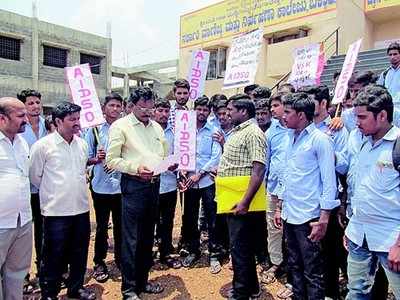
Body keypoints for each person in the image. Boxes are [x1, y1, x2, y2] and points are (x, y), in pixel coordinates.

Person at [274, 93, 338, 299]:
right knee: (294, 266)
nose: (283, 117)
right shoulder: (288, 138)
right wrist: (279, 206)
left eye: (288, 113)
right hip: (289, 214)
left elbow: (330, 183)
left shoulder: (321, 140)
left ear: (301, 115)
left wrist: (324, 219)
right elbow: (287, 174)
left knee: (313, 271)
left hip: (309, 217)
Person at [106, 87, 168, 300]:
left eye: (151, 108)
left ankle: (143, 281)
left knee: (147, 236)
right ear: (131, 105)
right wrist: (135, 168)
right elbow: (111, 160)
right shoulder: (120, 126)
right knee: (131, 238)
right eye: (143, 107)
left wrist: (169, 164)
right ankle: (129, 289)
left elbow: (162, 153)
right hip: (133, 185)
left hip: (154, 185)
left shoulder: (157, 128)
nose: (148, 112)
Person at [30, 101, 95, 300]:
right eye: (72, 119)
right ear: (58, 121)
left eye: (78, 118)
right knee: (52, 255)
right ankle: (50, 293)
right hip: (55, 212)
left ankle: (76, 288)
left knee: (79, 252)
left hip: (81, 209)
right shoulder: (42, 146)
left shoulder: (82, 144)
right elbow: (35, 176)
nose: (77, 123)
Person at [343, 85, 400, 299]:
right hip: (359, 236)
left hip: (391, 240)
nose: (356, 123)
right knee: (356, 292)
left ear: (382, 115)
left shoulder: (398, 146)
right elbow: (360, 189)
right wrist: (352, 228)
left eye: (363, 117)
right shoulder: (363, 144)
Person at [300, 84, 349, 299]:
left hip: (330, 201)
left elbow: (345, 165)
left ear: (323, 104)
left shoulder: (337, 129)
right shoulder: (304, 130)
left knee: (332, 251)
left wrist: (329, 152)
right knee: (312, 254)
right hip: (308, 201)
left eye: (312, 102)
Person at [218, 94, 267, 300]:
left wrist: (245, 201)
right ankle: (252, 287)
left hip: (243, 201)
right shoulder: (239, 131)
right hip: (231, 196)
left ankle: (241, 293)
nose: (227, 113)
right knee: (242, 247)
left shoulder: (253, 133)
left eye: (231, 110)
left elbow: (259, 169)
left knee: (239, 248)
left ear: (244, 112)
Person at [179, 96, 222, 271]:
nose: (202, 113)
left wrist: (200, 173)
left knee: (212, 219)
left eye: (205, 110)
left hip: (207, 182)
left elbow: (216, 156)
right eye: (199, 109)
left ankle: (214, 254)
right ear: (194, 110)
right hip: (188, 182)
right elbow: (179, 150)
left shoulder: (214, 130)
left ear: (209, 112)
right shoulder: (185, 130)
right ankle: (193, 251)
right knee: (189, 218)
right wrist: (181, 169)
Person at [85, 92, 123, 283]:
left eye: (118, 106)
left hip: (121, 187)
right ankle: (99, 261)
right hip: (100, 186)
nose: (115, 109)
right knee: (101, 227)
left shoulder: (126, 128)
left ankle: (120, 259)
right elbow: (85, 157)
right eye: (111, 106)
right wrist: (96, 159)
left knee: (121, 226)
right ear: (103, 108)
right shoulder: (94, 130)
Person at [0, 97, 32, 300]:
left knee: (17, 272)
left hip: (23, 220)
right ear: (2, 119)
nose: (27, 120)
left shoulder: (21, 142)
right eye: (21, 116)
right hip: (1, 222)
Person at [16, 89, 48, 292]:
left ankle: (43, 271)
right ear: (23, 107)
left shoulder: (49, 125)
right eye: (31, 103)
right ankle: (23, 277)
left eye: (38, 102)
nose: (35, 106)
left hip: (45, 190)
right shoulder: (17, 129)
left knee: (44, 233)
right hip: (25, 192)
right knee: (24, 235)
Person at [262, 93, 289, 287]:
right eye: (271, 106)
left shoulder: (303, 129)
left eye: (276, 105)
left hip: (296, 193)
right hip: (273, 189)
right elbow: (266, 162)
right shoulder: (271, 132)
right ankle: (276, 263)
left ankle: (294, 267)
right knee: (274, 229)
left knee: (295, 233)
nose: (272, 109)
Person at [153, 98, 181, 269]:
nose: (163, 114)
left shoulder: (175, 133)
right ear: (154, 111)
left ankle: (166, 253)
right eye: (160, 110)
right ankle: (148, 253)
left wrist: (177, 166)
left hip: (169, 184)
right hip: (151, 184)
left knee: (168, 221)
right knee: (149, 222)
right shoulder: (148, 131)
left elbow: (180, 155)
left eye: (166, 111)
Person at [377, 42, 400, 106]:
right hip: (389, 107)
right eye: (390, 55)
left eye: (395, 54)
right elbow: (379, 91)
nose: (392, 57)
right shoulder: (385, 74)